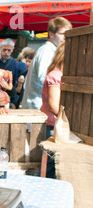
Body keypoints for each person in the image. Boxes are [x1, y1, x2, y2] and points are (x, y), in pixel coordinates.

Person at [22, 17, 72, 109]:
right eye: (62, 34)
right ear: (51, 34)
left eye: (67, 33)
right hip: (37, 107)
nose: (65, 37)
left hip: (41, 107)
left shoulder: (52, 50)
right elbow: (45, 78)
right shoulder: (46, 51)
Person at [40, 42, 66, 179]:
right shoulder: (56, 75)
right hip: (51, 125)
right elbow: (54, 106)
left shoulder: (56, 73)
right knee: (49, 169)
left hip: (53, 125)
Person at [0, 38, 26, 108]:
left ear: (12, 50)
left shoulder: (14, 63)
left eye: (9, 50)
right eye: (4, 49)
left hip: (7, 97)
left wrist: (13, 101)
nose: (6, 52)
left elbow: (14, 83)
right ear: (0, 48)